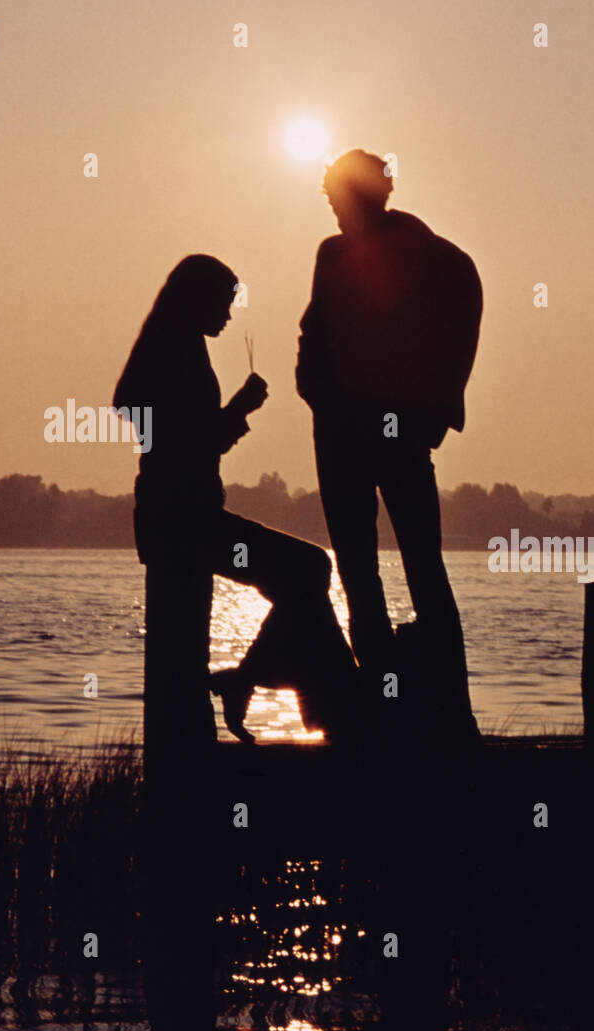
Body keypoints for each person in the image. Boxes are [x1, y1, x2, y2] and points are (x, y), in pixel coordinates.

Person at [114, 253, 360, 747]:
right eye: (224, 303)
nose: (229, 315)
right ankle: (290, 693)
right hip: (184, 524)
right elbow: (190, 441)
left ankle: (285, 691)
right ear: (198, 298)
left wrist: (227, 416)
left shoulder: (171, 346)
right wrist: (239, 409)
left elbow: (176, 431)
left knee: (307, 573)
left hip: (183, 518)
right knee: (308, 569)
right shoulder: (174, 351)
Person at [295, 150, 482, 745]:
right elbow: (313, 329)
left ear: (372, 195)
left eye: (338, 198)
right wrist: (315, 390)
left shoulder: (437, 259)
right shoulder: (331, 255)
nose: (333, 209)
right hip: (338, 432)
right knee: (358, 572)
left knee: (423, 566)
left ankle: (451, 709)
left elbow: (459, 332)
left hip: (399, 433)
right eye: (329, 200)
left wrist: (435, 415)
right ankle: (377, 704)